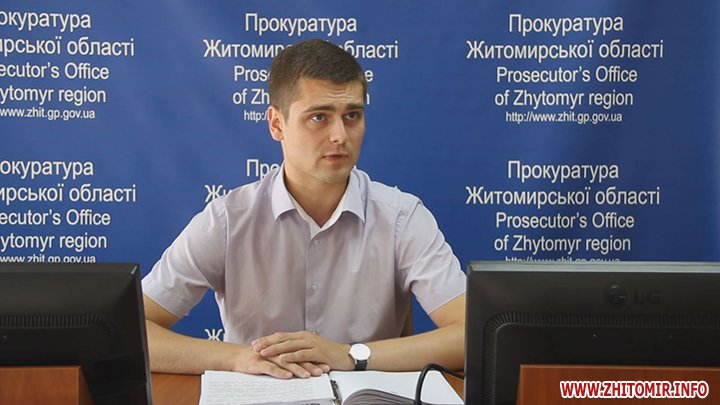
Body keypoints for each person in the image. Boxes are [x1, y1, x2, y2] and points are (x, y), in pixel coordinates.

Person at [142, 39, 466, 379]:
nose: (340, 135)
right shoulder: (228, 220)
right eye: (319, 117)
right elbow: (133, 331)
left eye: (352, 115)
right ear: (276, 124)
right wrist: (238, 358)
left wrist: (350, 355)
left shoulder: (401, 217)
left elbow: (471, 334)